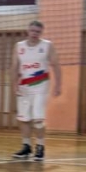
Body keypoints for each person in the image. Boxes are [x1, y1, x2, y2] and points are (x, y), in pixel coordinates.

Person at [11, 20, 62, 162]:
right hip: (24, 86)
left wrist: (58, 85)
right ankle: (26, 147)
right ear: (28, 31)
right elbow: (14, 66)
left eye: (38, 32)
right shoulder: (19, 46)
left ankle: (40, 147)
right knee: (24, 118)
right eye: (32, 31)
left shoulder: (47, 45)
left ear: (41, 33)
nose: (34, 34)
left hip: (40, 85)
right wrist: (13, 84)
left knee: (38, 119)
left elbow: (56, 65)